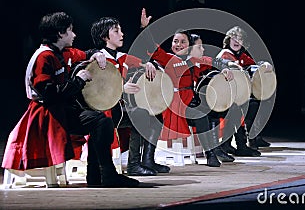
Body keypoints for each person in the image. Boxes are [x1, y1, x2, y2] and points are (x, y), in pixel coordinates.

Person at [1, 11, 139, 188]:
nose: (74, 34)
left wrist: (96, 53)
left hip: (62, 112)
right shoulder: (44, 57)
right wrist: (78, 80)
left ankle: (99, 175)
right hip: (46, 116)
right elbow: (49, 94)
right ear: (60, 34)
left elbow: (84, 53)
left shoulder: (62, 52)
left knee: (101, 122)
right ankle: (105, 175)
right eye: (70, 30)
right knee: (99, 121)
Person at [90, 11, 170, 176]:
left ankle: (147, 160)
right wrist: (121, 89)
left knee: (154, 115)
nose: (122, 34)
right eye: (116, 31)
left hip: (119, 110)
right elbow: (97, 90)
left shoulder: (122, 57)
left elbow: (145, 58)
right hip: (104, 111)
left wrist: (150, 64)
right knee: (140, 115)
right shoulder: (98, 59)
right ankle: (134, 165)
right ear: (105, 36)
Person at [150, 29, 234, 167]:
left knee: (208, 113)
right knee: (200, 115)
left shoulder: (194, 61)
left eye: (183, 42)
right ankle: (211, 153)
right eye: (175, 41)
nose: (179, 44)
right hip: (174, 104)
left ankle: (213, 152)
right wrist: (146, 28)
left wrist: (224, 68)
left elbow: (213, 61)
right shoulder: (169, 59)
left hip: (190, 101)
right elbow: (154, 50)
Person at [211, 26, 274, 157]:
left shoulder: (241, 56)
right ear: (228, 40)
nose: (237, 41)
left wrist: (265, 64)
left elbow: (255, 64)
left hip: (237, 96)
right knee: (244, 106)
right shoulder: (224, 55)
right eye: (234, 37)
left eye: (240, 39)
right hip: (223, 97)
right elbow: (219, 67)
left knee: (255, 103)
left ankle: (237, 142)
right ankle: (241, 144)